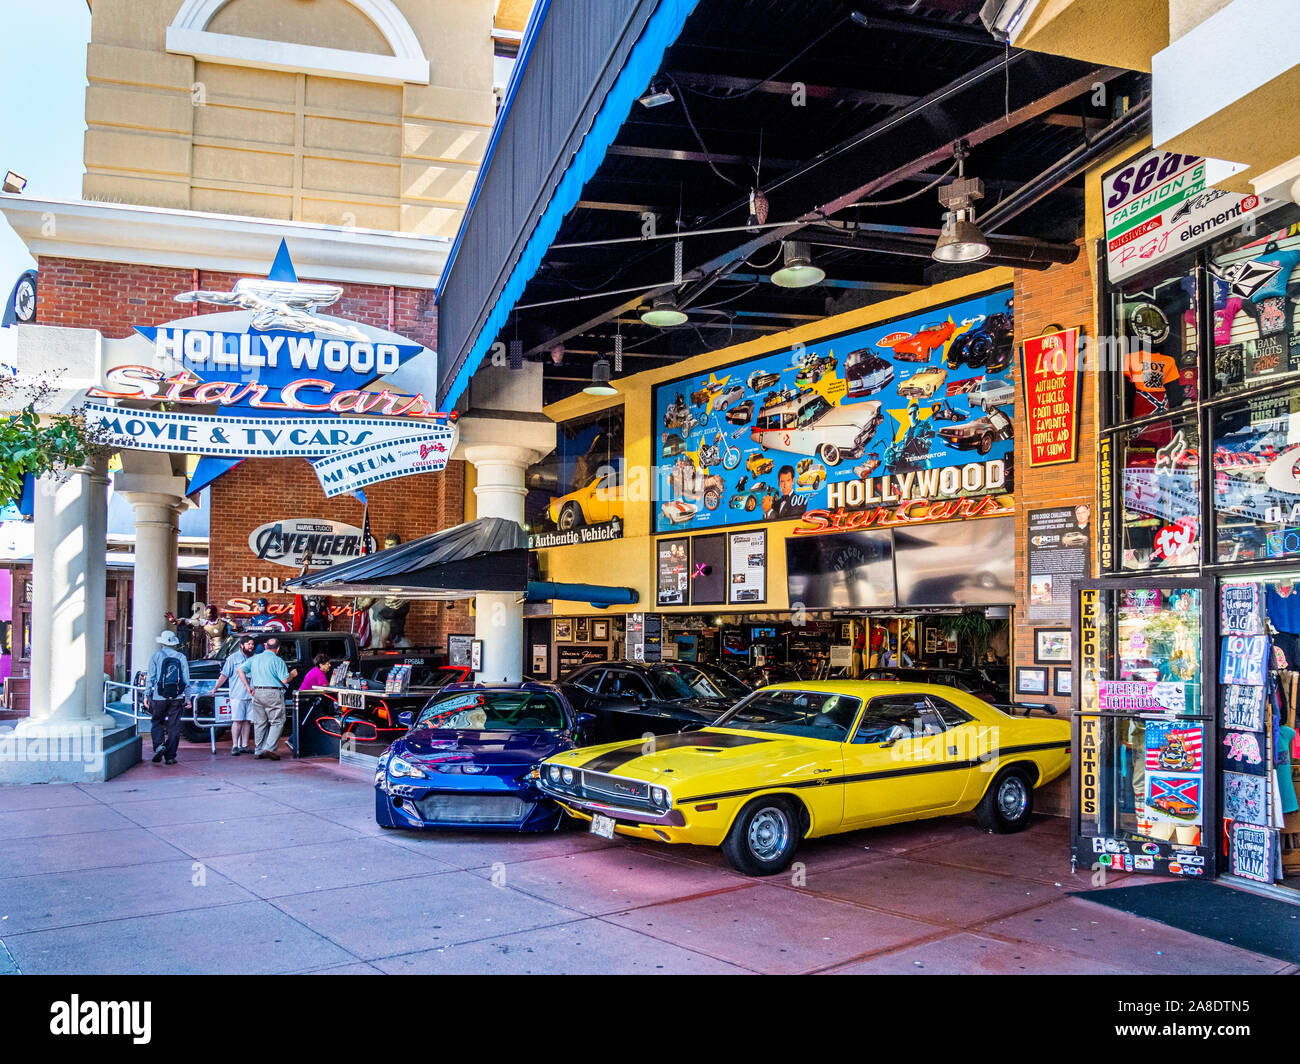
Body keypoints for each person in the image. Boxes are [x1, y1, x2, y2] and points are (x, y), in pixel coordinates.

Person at [238, 636, 297, 760]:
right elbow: (284, 680)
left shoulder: (255, 658)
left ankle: (258, 750)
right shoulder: (278, 660)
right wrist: (292, 674)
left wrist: (247, 686)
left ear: (265, 646)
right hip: (273, 692)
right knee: (277, 721)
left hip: (257, 692)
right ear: (278, 648)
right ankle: (270, 748)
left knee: (259, 723)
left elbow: (240, 669)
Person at [145, 631, 190, 765]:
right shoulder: (181, 656)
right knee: (174, 725)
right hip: (177, 696)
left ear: (162, 642)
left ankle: (159, 745)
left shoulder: (156, 656)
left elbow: (151, 677)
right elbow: (186, 679)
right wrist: (187, 697)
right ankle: (170, 756)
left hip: (160, 696)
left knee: (157, 721)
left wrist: (147, 694)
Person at [213, 632, 257, 756]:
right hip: (237, 694)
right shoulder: (233, 658)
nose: (251, 646)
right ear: (242, 645)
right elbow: (224, 674)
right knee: (237, 720)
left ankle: (245, 745)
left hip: (252, 695)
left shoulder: (255, 657)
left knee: (248, 721)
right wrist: (215, 688)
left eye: (252, 644)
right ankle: (235, 745)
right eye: (248, 644)